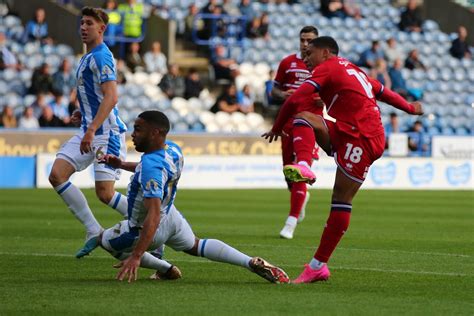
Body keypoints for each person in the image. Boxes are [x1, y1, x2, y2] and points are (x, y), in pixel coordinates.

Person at [262, 36, 423, 283]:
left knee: (341, 198)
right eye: (303, 55)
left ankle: (317, 266)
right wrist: (410, 109)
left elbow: (293, 99)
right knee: (304, 117)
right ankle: (305, 165)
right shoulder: (351, 69)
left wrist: (276, 127)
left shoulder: (328, 67)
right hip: (348, 131)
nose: (305, 59)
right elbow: (381, 90)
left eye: (310, 54)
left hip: (363, 138)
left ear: (326, 53)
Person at [94, 110, 290, 284]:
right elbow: (149, 167)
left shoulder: (150, 168)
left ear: (155, 133)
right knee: (196, 245)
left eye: (138, 130)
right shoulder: (172, 149)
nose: (133, 135)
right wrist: (121, 164)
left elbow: (152, 215)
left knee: (103, 239)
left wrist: (137, 256)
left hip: (146, 228)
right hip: (171, 215)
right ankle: (249, 262)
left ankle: (165, 268)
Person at [47, 7, 128, 259]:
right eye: (81, 23)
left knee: (105, 194)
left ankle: (149, 218)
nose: (83, 27)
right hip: (89, 128)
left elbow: (112, 96)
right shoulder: (87, 56)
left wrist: (92, 128)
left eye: (89, 23)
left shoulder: (102, 57)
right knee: (57, 175)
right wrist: (83, 113)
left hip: (106, 134)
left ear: (101, 29)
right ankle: (94, 230)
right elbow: (96, 95)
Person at [271, 26, 320, 240]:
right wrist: (283, 94)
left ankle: (290, 222)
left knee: (301, 167)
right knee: (289, 174)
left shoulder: (323, 66)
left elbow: (336, 91)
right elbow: (273, 91)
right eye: (303, 39)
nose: (305, 44)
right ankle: (301, 197)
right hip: (287, 124)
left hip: (311, 123)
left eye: (310, 40)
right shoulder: (287, 63)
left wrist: (323, 99)